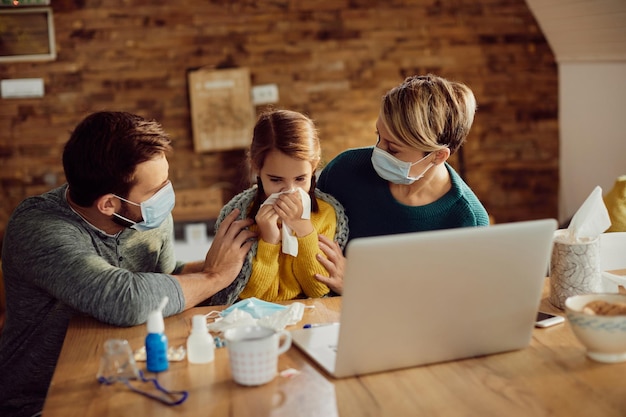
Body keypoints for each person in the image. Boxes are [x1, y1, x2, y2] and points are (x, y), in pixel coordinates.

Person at [0, 111, 256, 417]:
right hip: (41, 402)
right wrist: (214, 276)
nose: (167, 195)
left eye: (166, 181)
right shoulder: (38, 228)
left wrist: (239, 261)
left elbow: (165, 280)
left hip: (121, 378)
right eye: (154, 191)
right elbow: (125, 298)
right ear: (108, 204)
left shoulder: (145, 216)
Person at [314, 74, 490, 294]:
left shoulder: (467, 220)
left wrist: (359, 284)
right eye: (379, 136)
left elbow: (451, 304)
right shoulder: (345, 170)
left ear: (438, 156)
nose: (378, 151)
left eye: (393, 149)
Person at [205, 109, 349, 305]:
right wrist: (269, 240)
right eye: (275, 180)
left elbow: (318, 290)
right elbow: (247, 297)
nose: (290, 191)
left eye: (300, 179)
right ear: (257, 168)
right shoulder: (240, 218)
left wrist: (304, 230)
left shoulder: (325, 214)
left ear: (313, 167)